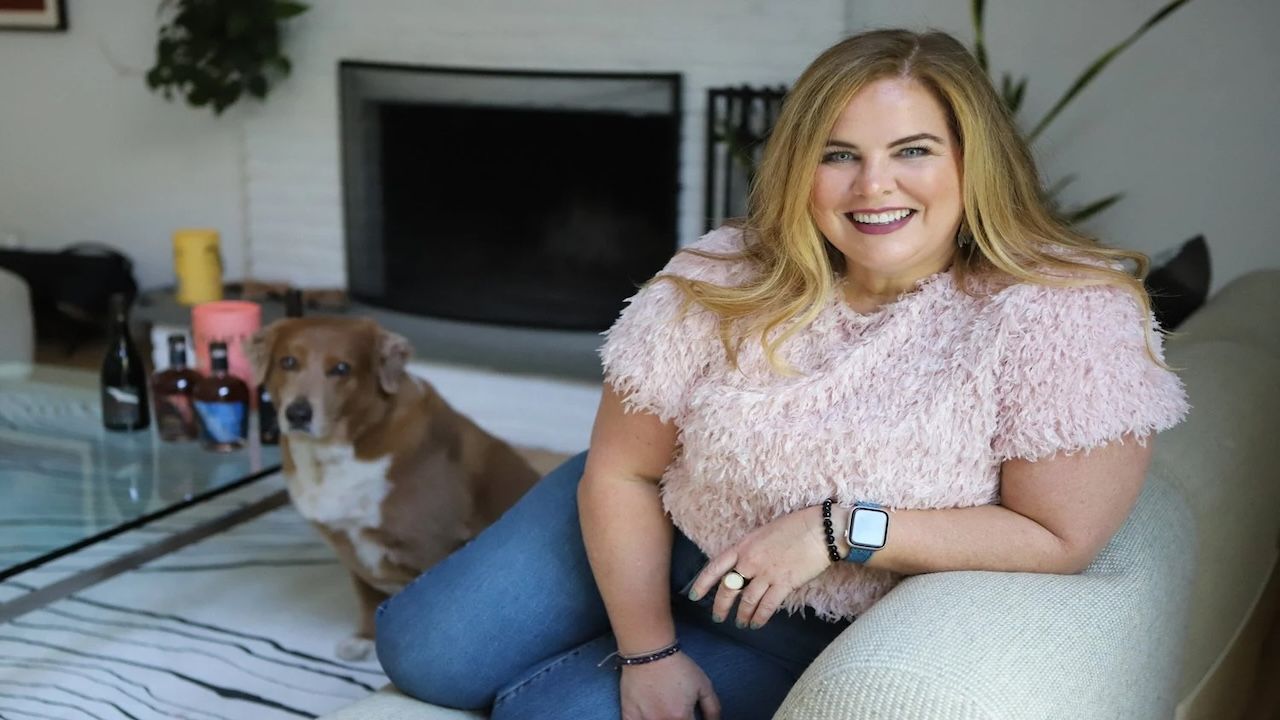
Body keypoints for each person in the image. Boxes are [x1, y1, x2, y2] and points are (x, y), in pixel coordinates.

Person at [373, 28, 1189, 720]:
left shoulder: (1063, 311)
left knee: (541, 711)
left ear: (974, 162)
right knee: (421, 655)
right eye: (839, 155)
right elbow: (625, 469)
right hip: (663, 525)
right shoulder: (723, 271)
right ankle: (597, 624)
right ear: (801, 167)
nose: (874, 186)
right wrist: (647, 648)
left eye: (912, 150)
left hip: (804, 624)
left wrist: (837, 531)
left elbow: (1058, 536)